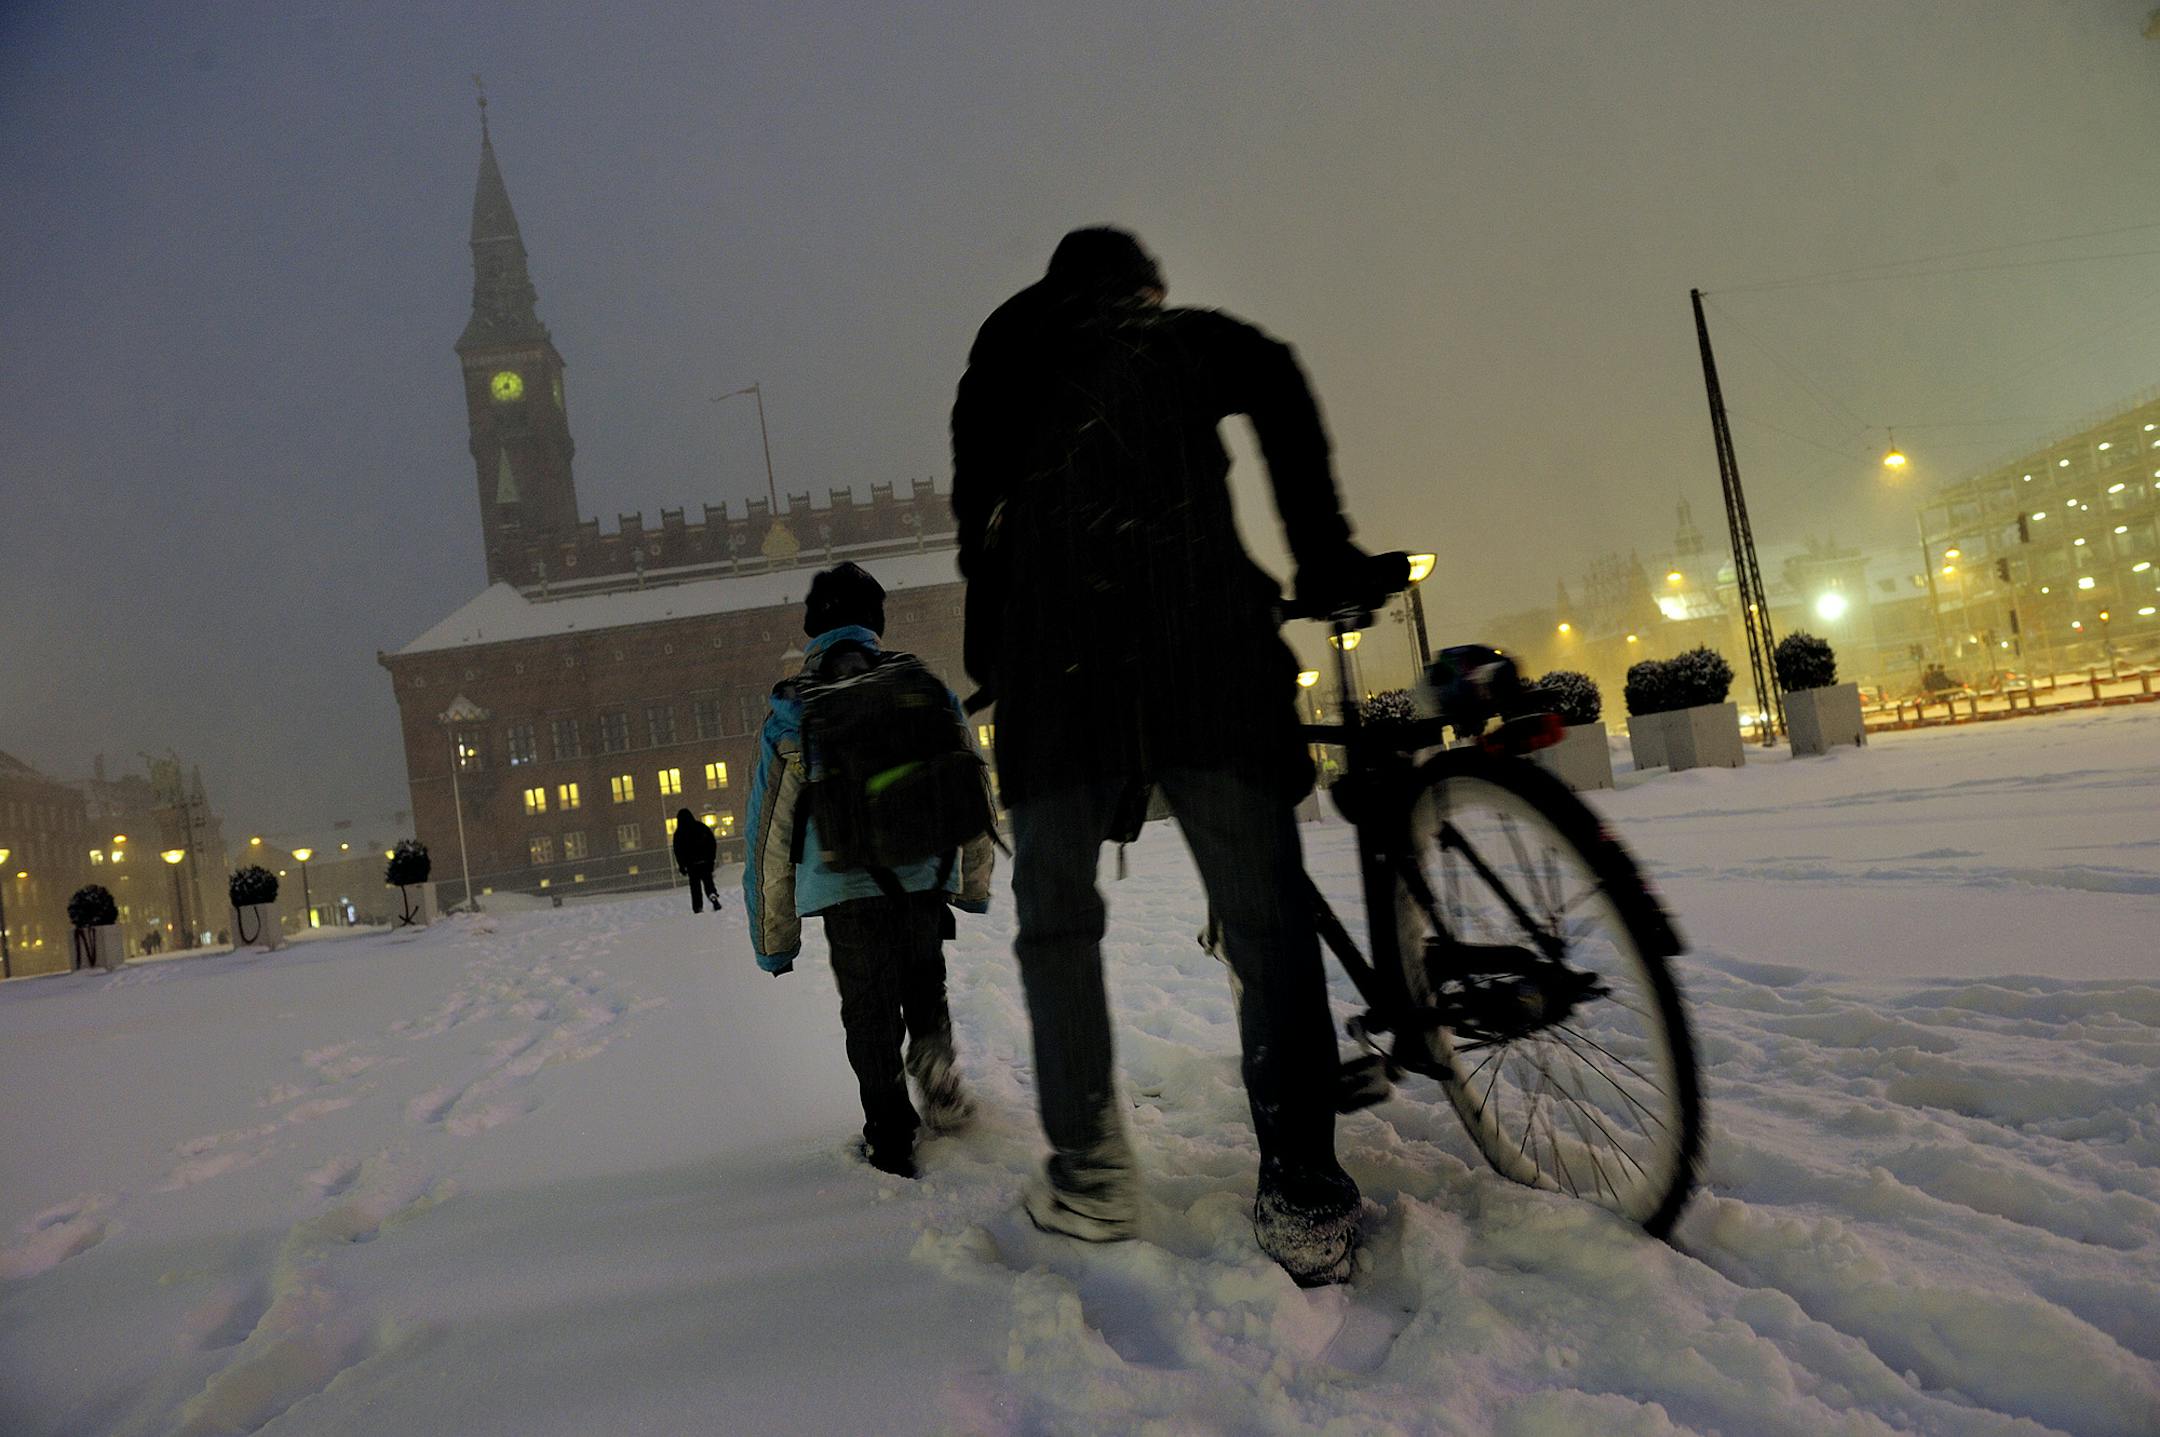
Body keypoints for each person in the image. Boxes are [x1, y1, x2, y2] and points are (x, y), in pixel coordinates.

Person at [950, 226, 1403, 1286]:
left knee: (1058, 926)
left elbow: (982, 531)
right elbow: (1282, 378)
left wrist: (1000, 660)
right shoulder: (1188, 343)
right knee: (1266, 916)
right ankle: (1299, 1192)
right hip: (1206, 656)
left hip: (1058, 683)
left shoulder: (1002, 365)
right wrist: (1321, 552)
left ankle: (1091, 1175)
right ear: (1145, 288)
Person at [743, 561, 996, 1179]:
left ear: (812, 632)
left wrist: (774, 941)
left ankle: (888, 1131)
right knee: (922, 982)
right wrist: (971, 883)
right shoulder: (920, 686)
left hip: (845, 885)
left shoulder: (792, 712)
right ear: (875, 625)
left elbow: (768, 837)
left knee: (867, 1006)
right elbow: (973, 789)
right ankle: (937, 1076)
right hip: (920, 875)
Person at [670, 807, 722, 912]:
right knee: (708, 881)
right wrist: (711, 859)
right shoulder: (701, 827)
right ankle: (712, 895)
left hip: (691, 864)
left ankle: (698, 907)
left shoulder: (679, 833)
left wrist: (681, 865)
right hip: (705, 862)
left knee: (695, 886)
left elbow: (678, 851)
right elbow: (711, 843)